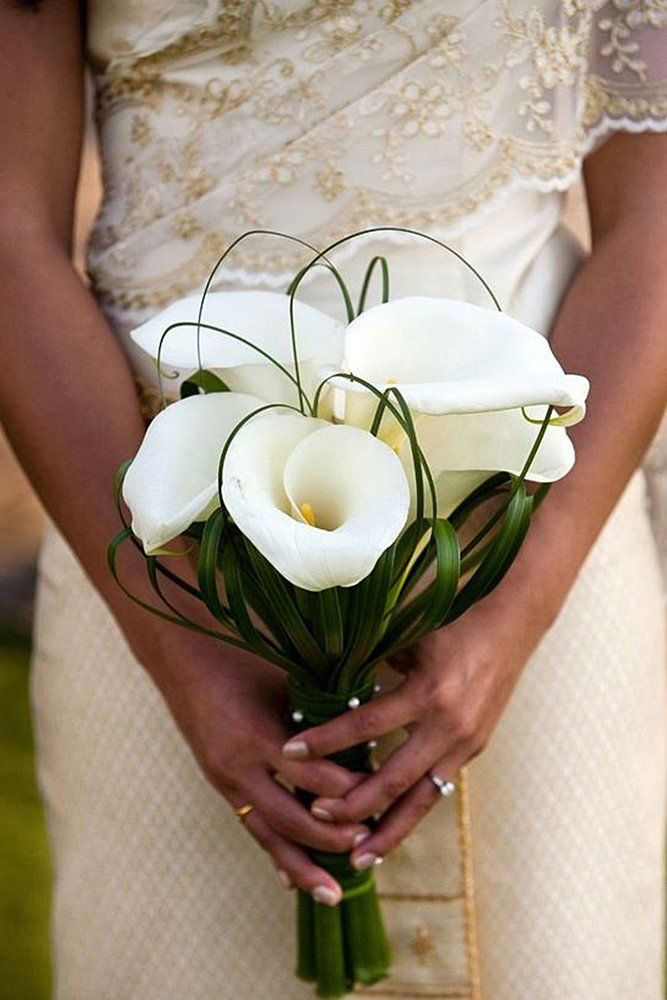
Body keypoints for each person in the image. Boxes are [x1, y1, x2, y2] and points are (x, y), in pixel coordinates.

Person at [1, 2, 665, 998]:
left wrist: (515, 600)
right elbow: (7, 228)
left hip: (531, 536)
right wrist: (183, 641)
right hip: (154, 528)